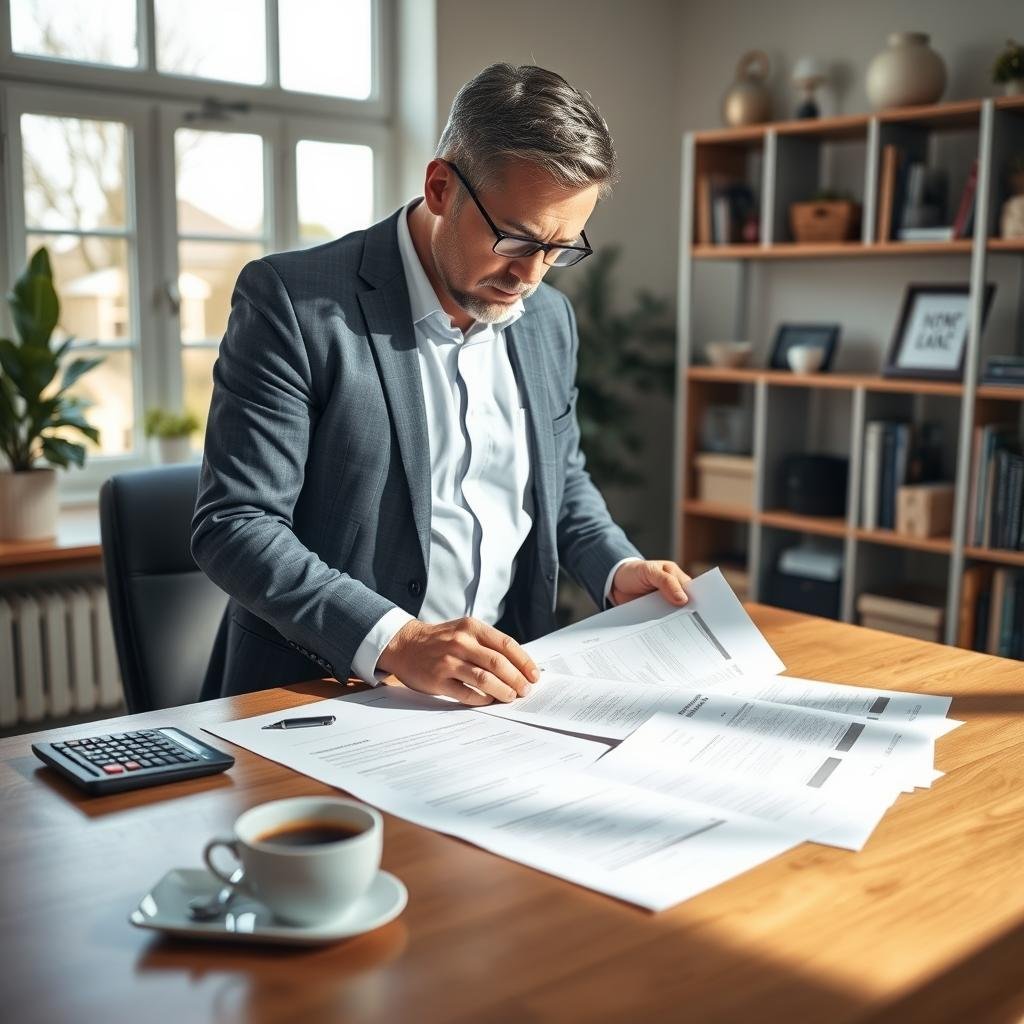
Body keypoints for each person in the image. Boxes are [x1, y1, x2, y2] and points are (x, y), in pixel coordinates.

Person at [192, 63, 690, 705]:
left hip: (504, 695)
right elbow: (235, 523)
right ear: (439, 186)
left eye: (560, 249)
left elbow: (560, 483)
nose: (532, 275)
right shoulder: (293, 302)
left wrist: (617, 570)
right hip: (320, 692)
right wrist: (398, 641)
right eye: (515, 239)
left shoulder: (548, 321)